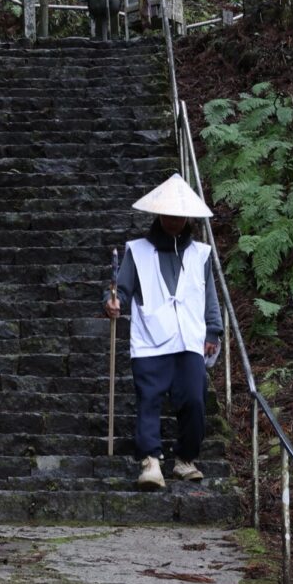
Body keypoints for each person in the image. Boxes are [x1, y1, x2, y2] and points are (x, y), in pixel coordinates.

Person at [103, 174, 223, 490]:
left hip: (189, 339)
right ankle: (150, 462)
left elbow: (209, 295)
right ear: (159, 214)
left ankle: (185, 459)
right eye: (168, 214)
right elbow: (122, 290)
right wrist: (113, 302)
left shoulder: (201, 254)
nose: (173, 220)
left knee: (195, 402)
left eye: (179, 215)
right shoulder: (137, 251)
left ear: (187, 218)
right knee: (149, 400)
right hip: (150, 340)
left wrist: (213, 331)